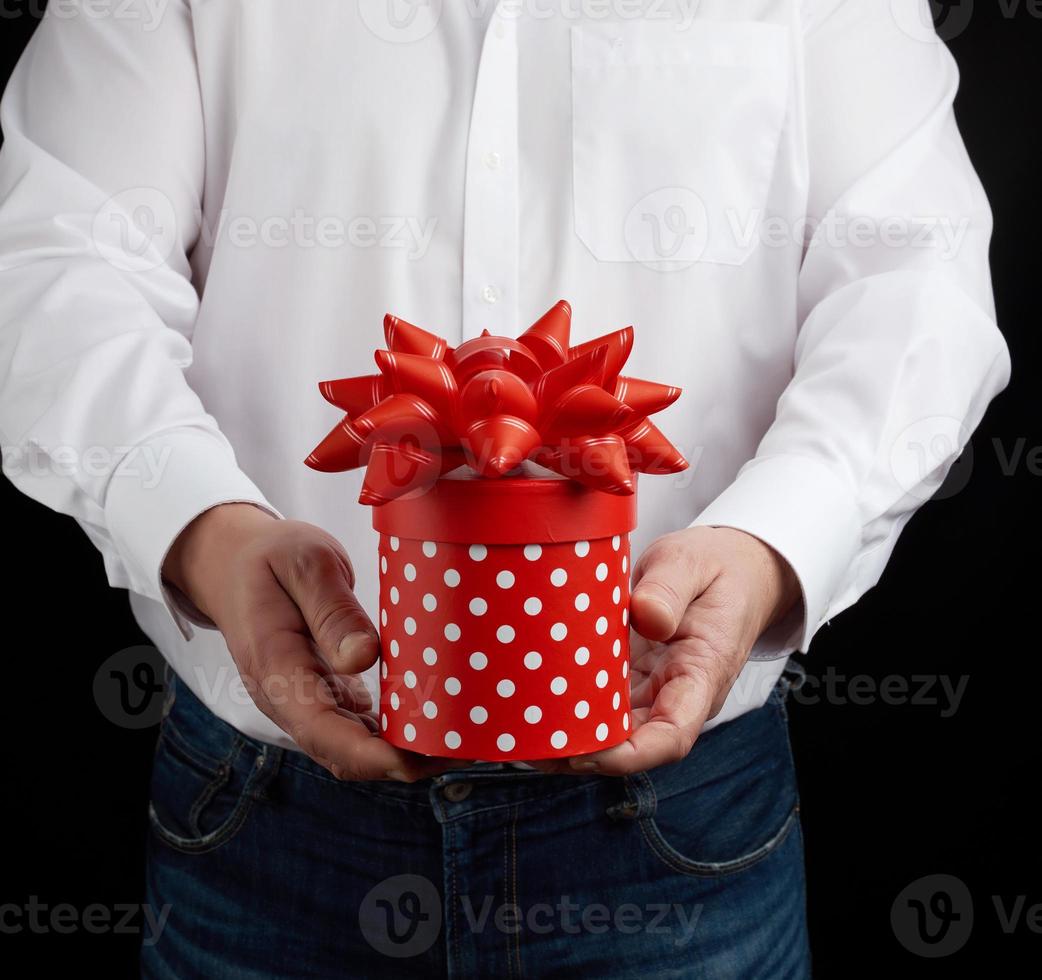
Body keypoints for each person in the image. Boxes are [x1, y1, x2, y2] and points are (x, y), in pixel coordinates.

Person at [0, 1, 1008, 976]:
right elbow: (62, 261)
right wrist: (199, 529)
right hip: (265, 816)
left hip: (677, 829)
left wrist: (773, 540)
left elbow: (916, 279)